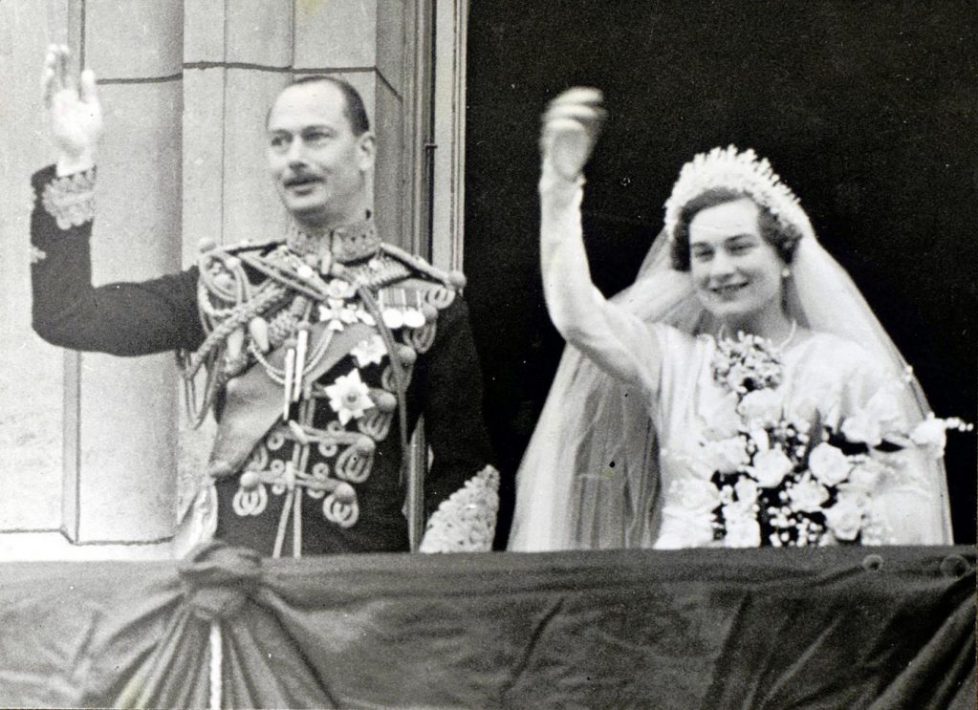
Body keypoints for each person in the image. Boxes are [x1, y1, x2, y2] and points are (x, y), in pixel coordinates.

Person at [31, 45, 498, 557]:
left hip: (361, 600)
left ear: (364, 151)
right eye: (280, 142)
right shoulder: (228, 284)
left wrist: (430, 597)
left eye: (316, 137)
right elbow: (68, 316)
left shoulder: (427, 301)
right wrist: (75, 159)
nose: (295, 157)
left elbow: (464, 471)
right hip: (232, 589)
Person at [508, 88, 954, 551]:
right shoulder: (673, 360)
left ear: (785, 257)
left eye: (739, 247)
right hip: (681, 596)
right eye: (703, 254)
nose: (720, 270)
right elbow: (579, 318)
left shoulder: (844, 365)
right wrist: (559, 188)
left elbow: (903, 501)